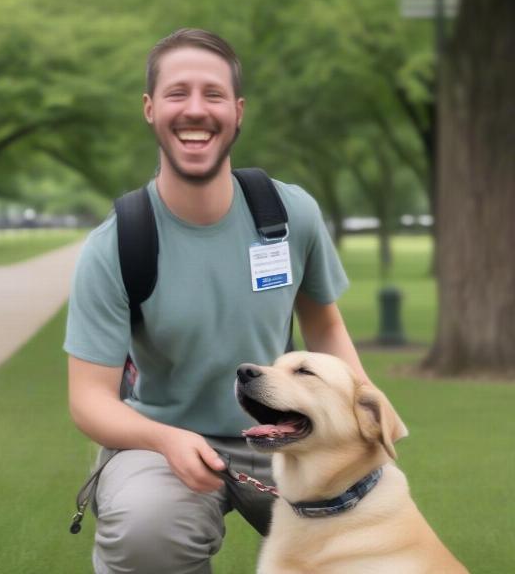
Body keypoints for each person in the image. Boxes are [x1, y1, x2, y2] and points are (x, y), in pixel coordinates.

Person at [64, 28, 370, 574]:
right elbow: (90, 400)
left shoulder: (290, 213)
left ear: (238, 110)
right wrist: (166, 439)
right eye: (178, 93)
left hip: (290, 435)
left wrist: (361, 416)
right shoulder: (116, 245)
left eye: (213, 94)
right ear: (150, 107)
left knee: (366, 534)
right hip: (161, 441)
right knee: (146, 532)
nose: (196, 110)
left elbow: (324, 329)